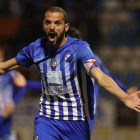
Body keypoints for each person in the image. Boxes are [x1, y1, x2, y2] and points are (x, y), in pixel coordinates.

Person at [0, 6, 140, 140]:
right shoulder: (35, 48)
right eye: (48, 22)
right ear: (43, 25)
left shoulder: (80, 49)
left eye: (57, 23)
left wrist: (124, 96)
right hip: (47, 119)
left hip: (77, 121)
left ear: (66, 27)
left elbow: (101, 76)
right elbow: (4, 67)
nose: (52, 27)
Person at [0, 48, 27, 140]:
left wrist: (12, 103)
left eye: (1, 56)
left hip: (4, 114)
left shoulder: (9, 73)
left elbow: (23, 88)